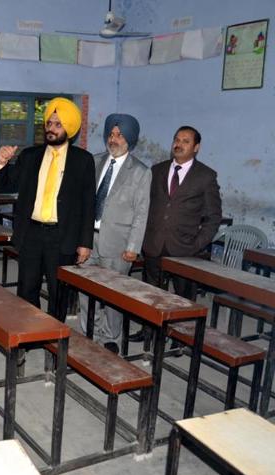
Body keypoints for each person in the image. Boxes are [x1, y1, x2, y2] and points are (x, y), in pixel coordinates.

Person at [0, 97, 95, 315]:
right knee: (27, 288)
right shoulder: (30, 156)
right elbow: (3, 186)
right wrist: (1, 163)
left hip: (63, 236)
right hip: (31, 232)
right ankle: (30, 335)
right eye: (49, 123)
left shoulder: (83, 160)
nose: (51, 128)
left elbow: (89, 204)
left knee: (59, 292)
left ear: (69, 128)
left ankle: (55, 341)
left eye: (58, 125)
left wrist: (85, 242)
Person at [78, 114, 151, 354]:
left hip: (118, 244)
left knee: (114, 295)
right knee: (85, 289)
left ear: (130, 139)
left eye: (119, 135)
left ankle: (110, 336)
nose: (114, 139)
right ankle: (89, 331)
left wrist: (133, 246)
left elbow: (141, 212)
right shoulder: (94, 161)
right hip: (90, 239)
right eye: (111, 134)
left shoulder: (140, 172)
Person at [142, 125, 222, 300]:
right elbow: (145, 205)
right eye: (176, 140)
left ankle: (180, 327)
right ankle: (149, 329)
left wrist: (196, 244)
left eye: (185, 141)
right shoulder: (157, 170)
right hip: (153, 245)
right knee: (149, 297)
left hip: (185, 248)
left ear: (196, 148)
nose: (179, 144)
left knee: (183, 301)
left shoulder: (205, 176)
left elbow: (213, 218)